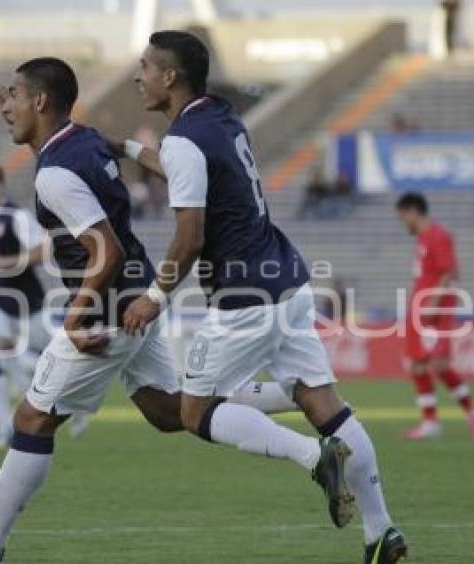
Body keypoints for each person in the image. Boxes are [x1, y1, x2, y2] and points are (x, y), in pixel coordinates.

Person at [0, 56, 303, 563]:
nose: (4, 107)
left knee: (32, 419)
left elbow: (105, 250)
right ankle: (299, 392)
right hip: (132, 297)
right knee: (169, 411)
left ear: (41, 101)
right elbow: (110, 155)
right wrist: (101, 135)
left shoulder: (55, 173)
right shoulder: (85, 139)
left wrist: (76, 316)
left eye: (13, 96)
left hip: (108, 310)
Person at [116, 31, 406, 563]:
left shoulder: (185, 139)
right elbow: (185, 169)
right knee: (325, 403)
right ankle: (381, 531)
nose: (138, 75)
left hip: (244, 295)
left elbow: (189, 235)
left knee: (194, 411)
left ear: (170, 77)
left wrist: (154, 297)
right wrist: (131, 149)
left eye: (145, 67)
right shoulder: (222, 119)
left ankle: (313, 459)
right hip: (288, 283)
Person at [0, 162, 91, 452]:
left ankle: (79, 400)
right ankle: (3, 425)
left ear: (0, 185)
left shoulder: (16, 216)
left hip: (26, 300)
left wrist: (8, 262)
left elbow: (44, 250)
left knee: (61, 354)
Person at [395, 192, 474, 441]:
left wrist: (434, 303)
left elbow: (449, 271)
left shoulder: (439, 235)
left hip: (436, 310)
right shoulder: (423, 238)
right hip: (420, 307)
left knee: (439, 364)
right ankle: (430, 422)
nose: (403, 222)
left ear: (413, 211)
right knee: (416, 364)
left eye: (403, 217)